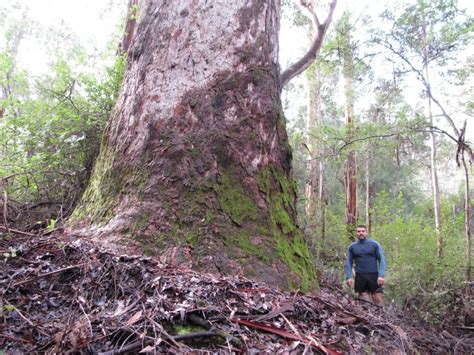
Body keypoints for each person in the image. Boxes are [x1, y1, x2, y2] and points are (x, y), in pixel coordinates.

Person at [345, 225, 386, 305]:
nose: (361, 233)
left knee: (378, 301)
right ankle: (367, 317)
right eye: (359, 231)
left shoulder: (374, 244)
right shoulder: (352, 247)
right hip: (360, 276)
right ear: (356, 233)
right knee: (365, 303)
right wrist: (348, 277)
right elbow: (349, 262)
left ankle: (381, 317)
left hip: (373, 275)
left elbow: (381, 260)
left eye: (363, 231)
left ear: (366, 233)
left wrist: (381, 275)